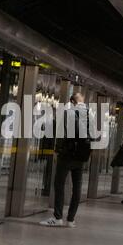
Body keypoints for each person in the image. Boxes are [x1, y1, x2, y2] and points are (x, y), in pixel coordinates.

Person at [40, 93, 91, 228]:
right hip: (80, 157)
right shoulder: (89, 116)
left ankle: (57, 217)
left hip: (67, 156)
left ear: (72, 101)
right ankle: (71, 220)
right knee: (77, 188)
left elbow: (62, 134)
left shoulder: (69, 113)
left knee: (59, 185)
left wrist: (58, 150)